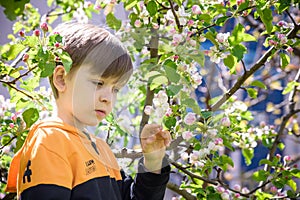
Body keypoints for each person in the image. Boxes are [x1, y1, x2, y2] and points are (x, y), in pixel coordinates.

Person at [6, 22, 172, 200]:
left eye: (115, 89)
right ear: (61, 79)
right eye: (99, 83)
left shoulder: (101, 148)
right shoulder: (50, 141)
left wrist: (153, 161)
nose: (108, 98)